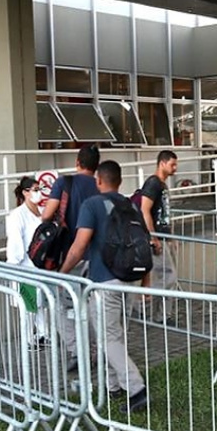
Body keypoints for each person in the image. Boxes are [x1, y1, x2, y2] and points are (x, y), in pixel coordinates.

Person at [60, 160, 148, 413]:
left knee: (107, 337)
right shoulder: (130, 204)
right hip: (130, 279)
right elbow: (143, 241)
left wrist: (61, 273)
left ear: (99, 180)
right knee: (115, 335)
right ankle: (113, 385)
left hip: (104, 280)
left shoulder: (92, 205)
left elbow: (78, 247)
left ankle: (136, 389)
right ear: (119, 181)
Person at [41, 143, 101, 370]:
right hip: (95, 256)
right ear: (96, 167)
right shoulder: (100, 185)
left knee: (62, 307)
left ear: (77, 162)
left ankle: (78, 352)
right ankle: (98, 350)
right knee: (93, 307)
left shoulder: (64, 183)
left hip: (69, 256)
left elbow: (46, 215)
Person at [6, 175, 47, 347]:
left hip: (42, 266)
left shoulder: (43, 212)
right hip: (25, 267)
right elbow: (15, 243)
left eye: (40, 190)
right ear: (25, 193)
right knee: (29, 306)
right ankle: (30, 340)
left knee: (42, 305)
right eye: (35, 190)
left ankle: (44, 335)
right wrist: (14, 266)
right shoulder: (17, 215)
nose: (39, 194)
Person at [140, 150, 179, 324]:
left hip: (163, 237)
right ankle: (160, 315)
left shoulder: (161, 184)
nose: (175, 168)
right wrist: (153, 237)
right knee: (167, 277)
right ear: (162, 163)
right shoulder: (153, 183)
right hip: (157, 238)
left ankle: (159, 315)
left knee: (164, 277)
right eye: (172, 164)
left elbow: (164, 214)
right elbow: (144, 209)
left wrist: (170, 237)